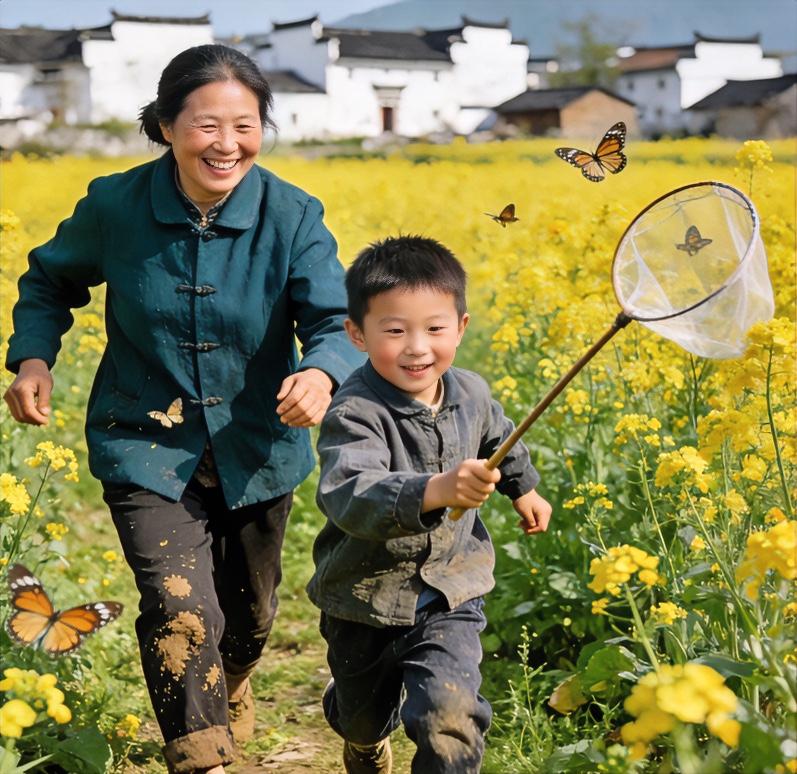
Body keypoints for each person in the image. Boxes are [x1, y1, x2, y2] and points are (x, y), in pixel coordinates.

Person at [4, 45, 362, 774]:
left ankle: (232, 682)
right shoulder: (115, 205)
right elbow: (48, 281)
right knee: (178, 606)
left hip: (256, 447)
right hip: (144, 444)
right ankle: (201, 755)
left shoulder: (292, 216)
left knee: (249, 622)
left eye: (245, 124)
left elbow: (335, 322)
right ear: (166, 125)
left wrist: (323, 372)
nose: (226, 144)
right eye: (206, 124)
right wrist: (33, 356)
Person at [307, 235, 553, 774]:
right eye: (394, 331)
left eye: (435, 329)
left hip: (450, 594)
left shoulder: (472, 392)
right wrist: (434, 490)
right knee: (362, 718)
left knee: (450, 719)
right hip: (363, 599)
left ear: (461, 328)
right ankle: (360, 734)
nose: (417, 347)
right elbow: (349, 493)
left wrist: (523, 487)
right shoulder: (354, 411)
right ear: (356, 335)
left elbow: (500, 439)